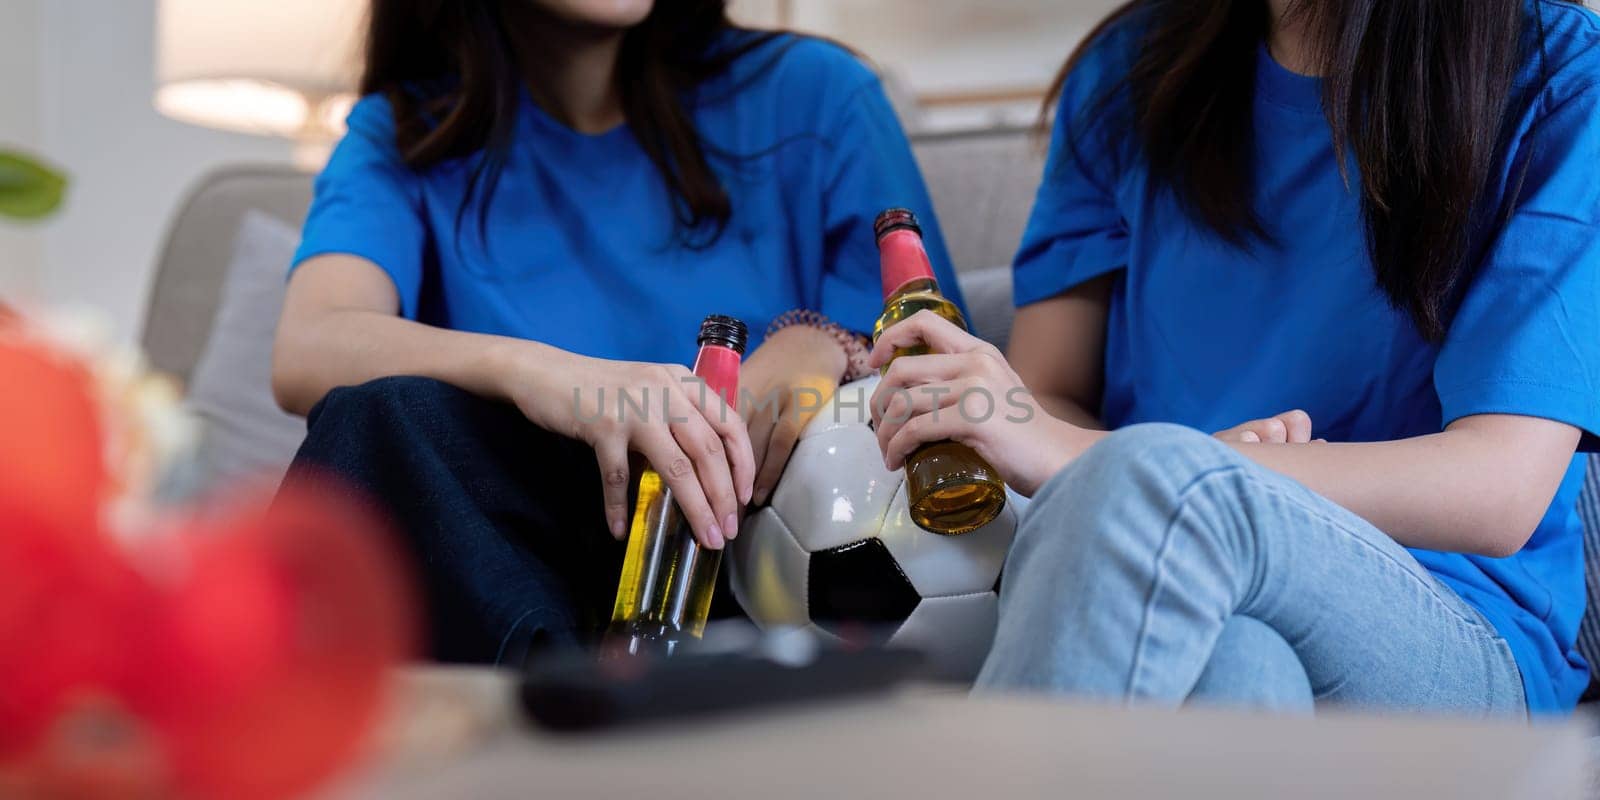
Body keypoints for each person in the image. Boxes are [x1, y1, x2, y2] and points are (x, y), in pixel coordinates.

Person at [867, 0, 1600, 716]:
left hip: (1452, 626)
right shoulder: (1129, 67)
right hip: (1159, 570)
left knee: (1153, 484)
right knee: (1238, 669)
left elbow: (1500, 489)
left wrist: (1176, 474)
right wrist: (1193, 476)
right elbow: (1049, 391)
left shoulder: (1557, 72)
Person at [271, 0, 962, 664]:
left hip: (746, 547)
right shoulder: (407, 130)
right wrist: (546, 374)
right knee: (377, 418)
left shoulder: (819, 96)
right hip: (514, 570)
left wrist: (820, 342)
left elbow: (944, 360)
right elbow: (312, 345)